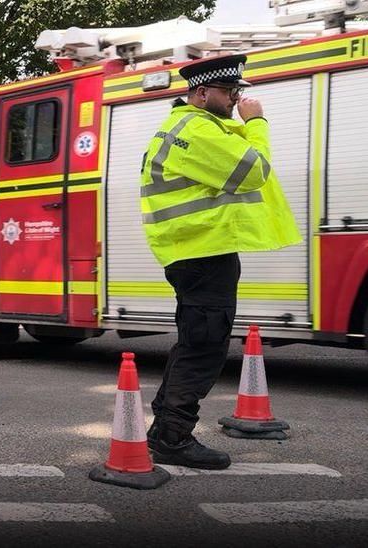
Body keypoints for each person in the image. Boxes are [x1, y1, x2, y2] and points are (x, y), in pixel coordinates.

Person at [139, 54, 301, 469]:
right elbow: (254, 170)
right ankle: (173, 437)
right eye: (229, 92)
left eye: (237, 93)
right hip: (202, 253)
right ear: (201, 93)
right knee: (205, 347)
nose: (235, 99)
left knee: (194, 342)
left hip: (195, 252)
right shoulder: (196, 128)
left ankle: (162, 430)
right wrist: (257, 122)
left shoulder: (189, 127)